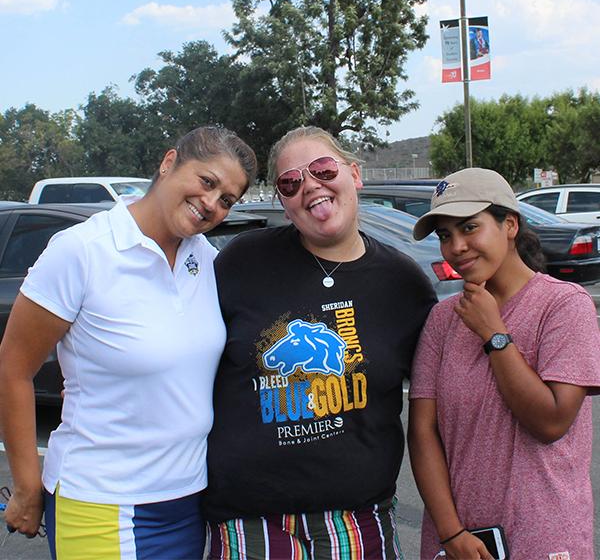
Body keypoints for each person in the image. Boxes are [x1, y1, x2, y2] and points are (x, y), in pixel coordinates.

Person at [0, 126, 257, 559]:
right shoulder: (83, 251)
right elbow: (13, 366)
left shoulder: (206, 259)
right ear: (169, 162)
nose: (212, 204)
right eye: (207, 182)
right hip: (102, 501)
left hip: (189, 500)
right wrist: (27, 486)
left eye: (227, 199)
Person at [202, 126, 437, 559]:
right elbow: (180, 349)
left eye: (323, 169)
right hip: (248, 522)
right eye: (290, 182)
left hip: (359, 519)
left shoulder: (403, 283)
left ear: (354, 174)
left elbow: (443, 397)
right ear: (283, 202)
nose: (310, 185)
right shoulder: (242, 262)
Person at [408, 167, 600, 560]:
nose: (457, 246)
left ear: (509, 224)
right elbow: (423, 433)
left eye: (469, 228)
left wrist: (494, 335)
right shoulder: (443, 320)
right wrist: (451, 533)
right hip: (457, 542)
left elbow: (551, 421)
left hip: (544, 539)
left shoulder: (564, 306)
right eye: (445, 235)